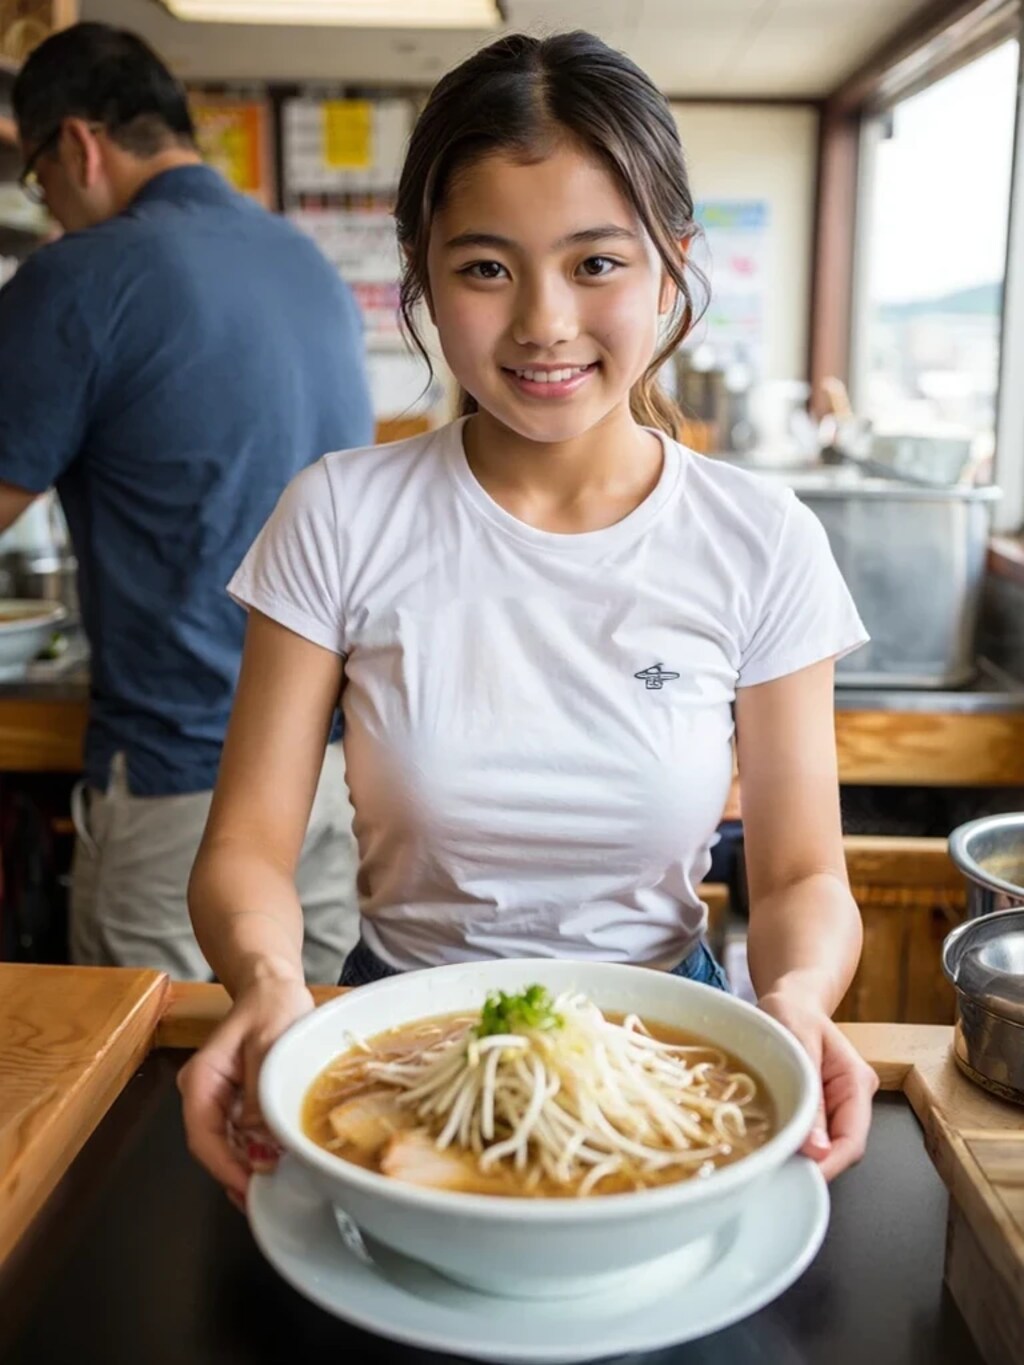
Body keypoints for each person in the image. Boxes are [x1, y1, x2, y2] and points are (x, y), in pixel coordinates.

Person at [179, 29, 879, 1203]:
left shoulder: (761, 539)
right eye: (487, 268)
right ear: (423, 275)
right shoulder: (339, 514)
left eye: (596, 263)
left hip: (667, 1048)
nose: (545, 322)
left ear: (671, 268)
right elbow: (246, 848)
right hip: (391, 1032)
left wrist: (795, 1001)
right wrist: (263, 981)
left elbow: (803, 872)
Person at [0, 23, 374, 982]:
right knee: (312, 1086)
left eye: (40, 183)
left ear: (77, 144)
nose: (50, 212)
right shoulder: (308, 267)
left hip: (181, 793)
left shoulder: (83, 275)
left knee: (149, 1099)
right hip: (328, 779)